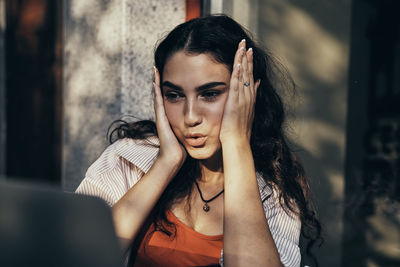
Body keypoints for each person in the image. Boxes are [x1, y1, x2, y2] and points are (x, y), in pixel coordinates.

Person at [76, 14, 321, 267]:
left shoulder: (274, 187)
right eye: (174, 95)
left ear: (248, 93)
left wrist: (236, 143)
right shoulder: (127, 158)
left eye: (210, 94)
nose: (190, 116)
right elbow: (77, 258)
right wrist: (165, 163)